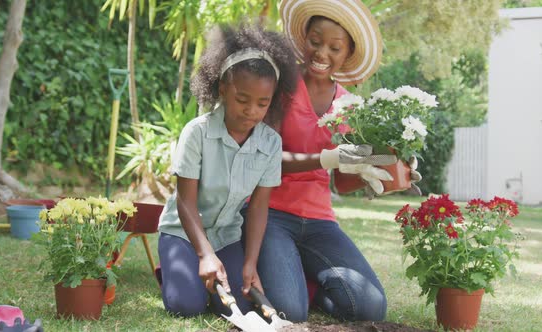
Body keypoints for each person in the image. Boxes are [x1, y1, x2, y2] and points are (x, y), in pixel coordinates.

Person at [242, 0, 422, 322]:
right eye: (315, 41)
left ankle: (303, 277)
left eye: (334, 47)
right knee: (290, 311)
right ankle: (293, 278)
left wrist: (377, 180)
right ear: (304, 39)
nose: (322, 53)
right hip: (270, 213)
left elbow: (342, 178)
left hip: (319, 221)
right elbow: (262, 158)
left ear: (346, 54)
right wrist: (326, 158)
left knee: (370, 307)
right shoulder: (279, 85)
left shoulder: (349, 106)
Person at [156, 23, 297, 317]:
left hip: (227, 236)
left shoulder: (270, 143)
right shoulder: (197, 133)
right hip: (183, 232)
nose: (252, 111)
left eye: (263, 103)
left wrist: (250, 263)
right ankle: (173, 271)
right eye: (242, 100)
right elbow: (185, 201)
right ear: (222, 89)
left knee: (243, 305)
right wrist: (206, 255)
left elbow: (259, 207)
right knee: (188, 306)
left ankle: (194, 274)